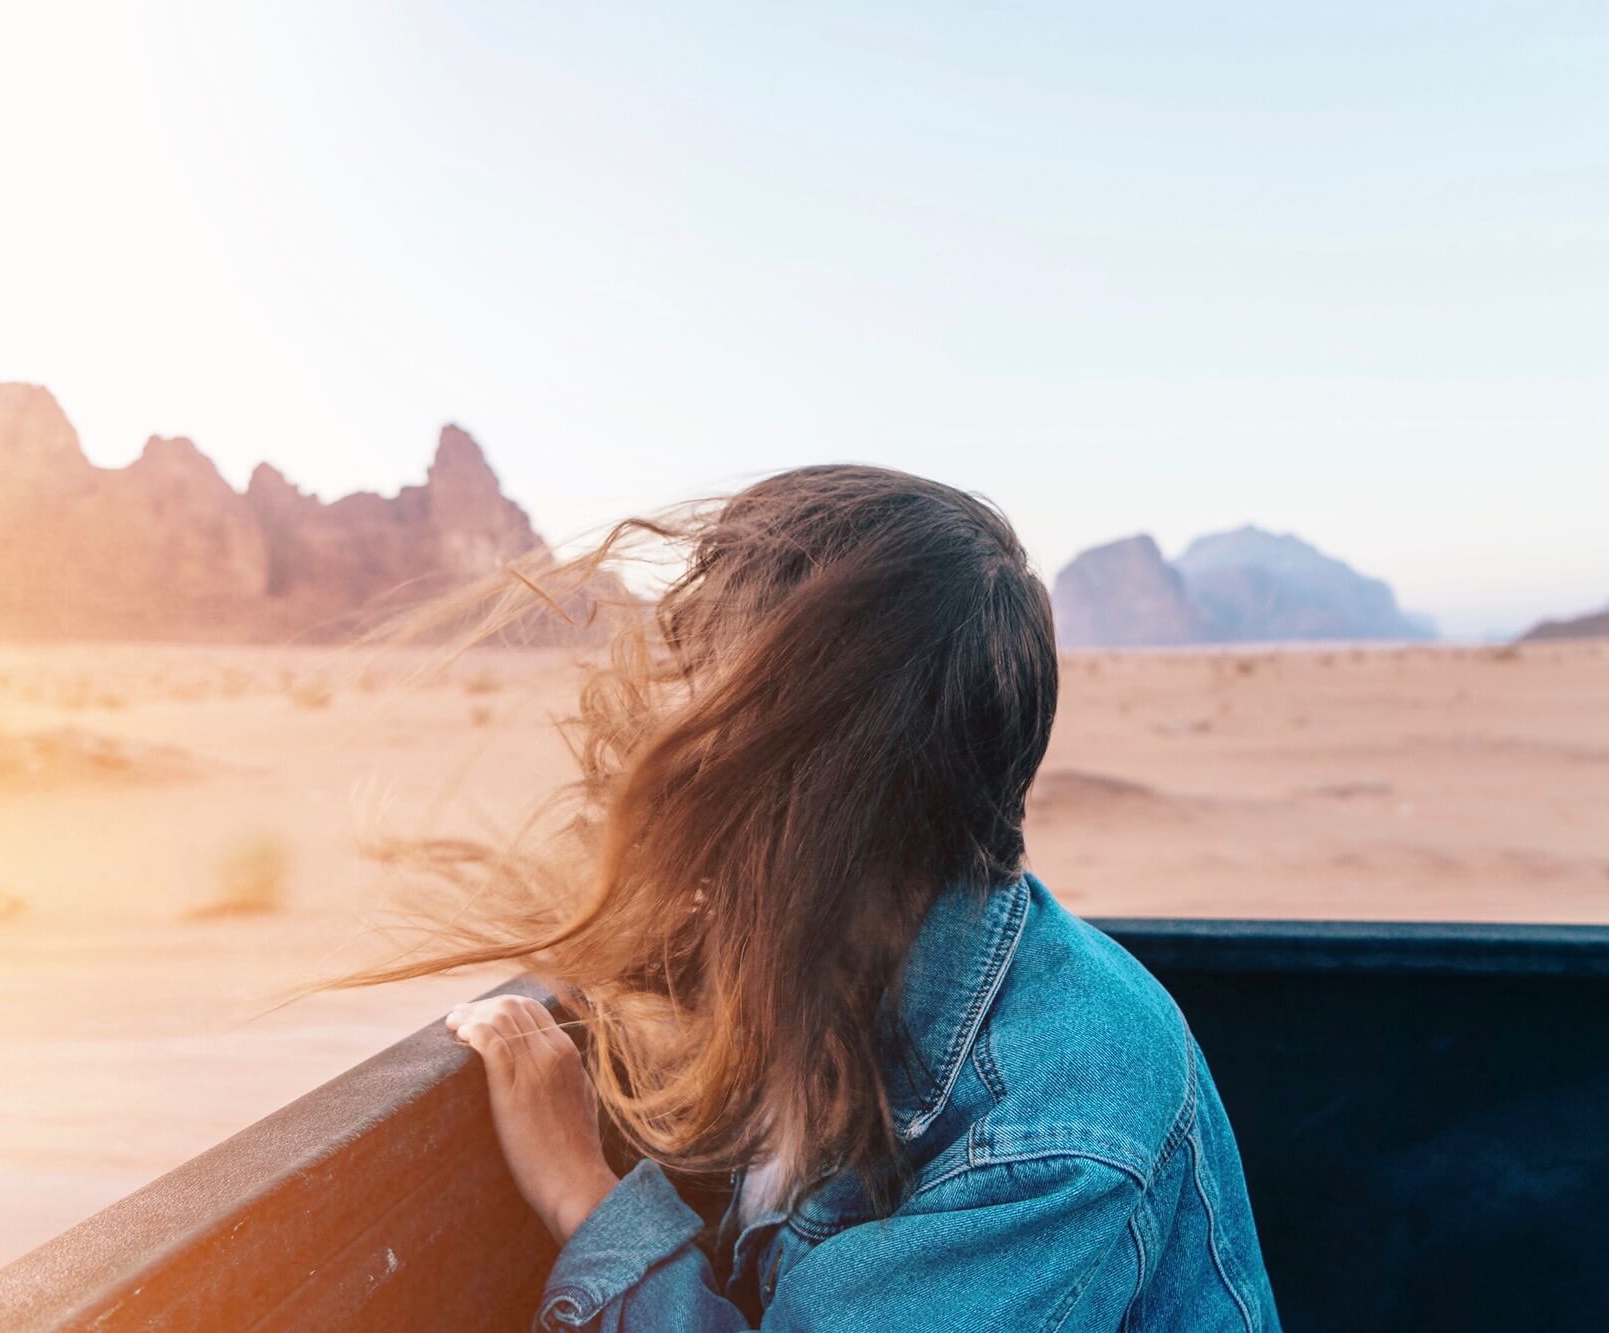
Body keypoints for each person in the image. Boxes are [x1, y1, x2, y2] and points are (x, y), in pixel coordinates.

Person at [386, 465, 1278, 1328]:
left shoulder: (1049, 1130)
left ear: (829, 787)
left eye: (726, 707)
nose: (680, 742)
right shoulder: (840, 953)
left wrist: (579, 1194)